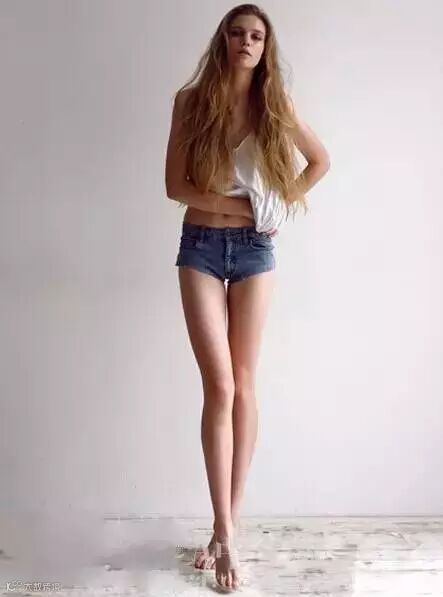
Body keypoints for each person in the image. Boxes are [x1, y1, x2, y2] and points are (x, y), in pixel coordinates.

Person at [165, 3, 330, 591]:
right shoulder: (191, 102)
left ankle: (226, 528)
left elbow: (321, 161)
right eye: (237, 33)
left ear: (266, 47)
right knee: (220, 386)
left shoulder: (275, 104)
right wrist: (246, 209)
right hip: (201, 247)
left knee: (244, 381)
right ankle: (224, 529)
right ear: (223, 41)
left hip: (256, 253)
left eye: (256, 35)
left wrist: (277, 206)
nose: (246, 42)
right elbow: (175, 185)